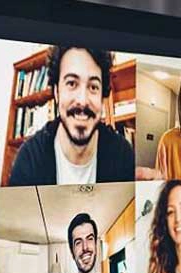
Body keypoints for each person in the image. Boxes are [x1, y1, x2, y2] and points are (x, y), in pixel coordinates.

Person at [9, 46, 135, 186]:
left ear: (101, 97)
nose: (82, 100)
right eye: (72, 83)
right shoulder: (29, 159)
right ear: (56, 92)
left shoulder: (123, 155)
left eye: (93, 87)